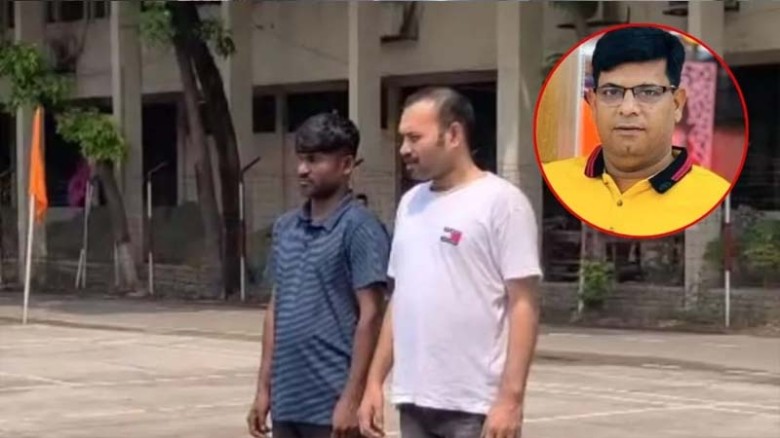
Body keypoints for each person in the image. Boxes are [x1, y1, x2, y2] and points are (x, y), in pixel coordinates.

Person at [358, 87, 543, 438]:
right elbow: (400, 299)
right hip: (414, 402)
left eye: (415, 138)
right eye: (402, 139)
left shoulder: (502, 202)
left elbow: (524, 304)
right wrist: (374, 383)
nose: (404, 149)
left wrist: (510, 399)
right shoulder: (410, 204)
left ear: (454, 134)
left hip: (475, 408)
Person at [247, 112, 390, 438]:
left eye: (314, 160)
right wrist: (264, 389)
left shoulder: (360, 228)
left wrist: (352, 399)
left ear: (346, 164)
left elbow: (371, 316)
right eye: (300, 159)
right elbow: (275, 310)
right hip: (287, 403)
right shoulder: (285, 228)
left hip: (332, 405)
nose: (302, 169)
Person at [542, 26, 731, 237]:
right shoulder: (551, 182)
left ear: (676, 104)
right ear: (593, 104)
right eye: (611, 92)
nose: (627, 108)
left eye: (648, 92)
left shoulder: (714, 196)